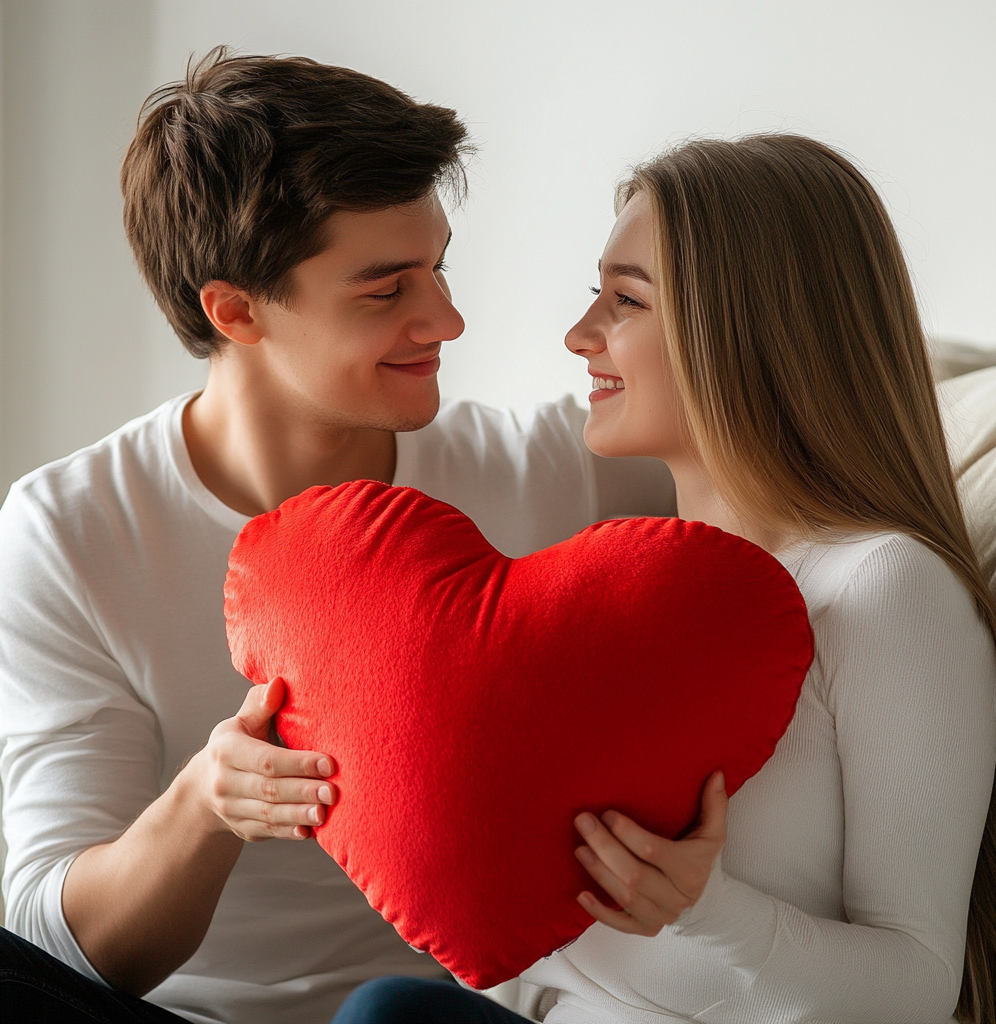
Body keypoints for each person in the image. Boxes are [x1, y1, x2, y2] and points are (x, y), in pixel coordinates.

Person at [0, 49, 674, 1024]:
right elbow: (56, 942)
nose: (446, 317)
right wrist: (209, 803)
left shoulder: (551, 472)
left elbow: (792, 486)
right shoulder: (69, 532)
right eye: (385, 289)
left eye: (437, 268)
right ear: (233, 310)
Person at [333, 135, 996, 1024]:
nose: (580, 336)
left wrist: (709, 914)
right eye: (596, 296)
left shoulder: (884, 589)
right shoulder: (621, 577)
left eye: (624, 300)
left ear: (743, 327)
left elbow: (917, 988)